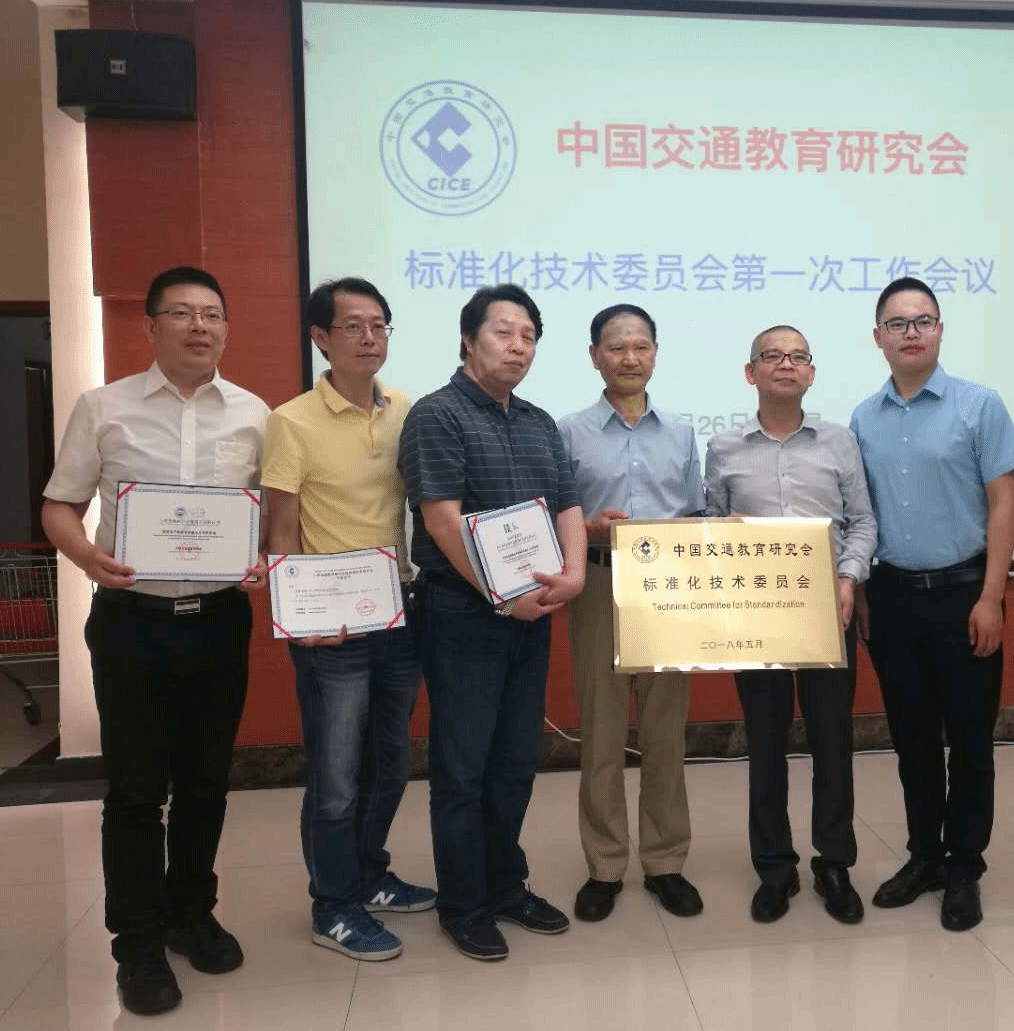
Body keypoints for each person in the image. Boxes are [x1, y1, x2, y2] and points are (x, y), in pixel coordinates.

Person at [41, 266, 268, 1016]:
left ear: (226, 328)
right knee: (137, 791)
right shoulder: (103, 407)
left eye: (213, 314)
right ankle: (136, 943)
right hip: (132, 622)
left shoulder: (255, 415)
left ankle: (191, 913)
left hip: (218, 621)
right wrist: (87, 557)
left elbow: (267, 515)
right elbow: (60, 505)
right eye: (182, 313)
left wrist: (263, 558)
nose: (199, 326)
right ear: (150, 326)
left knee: (206, 783)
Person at [398, 283, 586, 961]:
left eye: (529, 335)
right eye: (504, 332)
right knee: (463, 766)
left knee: (514, 761)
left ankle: (506, 885)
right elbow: (441, 520)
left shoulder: (538, 421)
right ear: (468, 339)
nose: (518, 346)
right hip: (462, 612)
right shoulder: (436, 415)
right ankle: (465, 904)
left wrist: (575, 574)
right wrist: (501, 596)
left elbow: (566, 506)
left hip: (532, 614)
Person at [262, 278, 436, 961]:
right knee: (335, 778)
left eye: (379, 325)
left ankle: (368, 875)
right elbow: (281, 530)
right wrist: (296, 620)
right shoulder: (293, 421)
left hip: (396, 611)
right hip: (328, 626)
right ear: (320, 338)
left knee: (390, 765)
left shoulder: (408, 411)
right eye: (353, 326)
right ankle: (332, 905)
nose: (369, 337)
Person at [849, 276, 1014, 932]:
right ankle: (925, 856)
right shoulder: (863, 418)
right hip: (893, 597)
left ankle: (964, 867)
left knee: (971, 742)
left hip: (965, 595)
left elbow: (1005, 503)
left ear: (941, 330)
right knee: (913, 741)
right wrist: (864, 589)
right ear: (878, 338)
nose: (911, 332)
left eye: (923, 320)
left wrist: (992, 596)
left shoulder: (981, 405)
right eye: (897, 323)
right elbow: (861, 515)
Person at [704, 325, 877, 924]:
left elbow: (862, 522)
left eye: (797, 356)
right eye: (772, 356)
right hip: (756, 617)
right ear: (750, 372)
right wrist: (720, 535)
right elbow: (708, 527)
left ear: (811, 372)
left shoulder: (839, 442)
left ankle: (834, 864)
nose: (786, 364)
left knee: (833, 742)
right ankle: (775, 868)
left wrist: (848, 579)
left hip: (828, 611)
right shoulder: (724, 447)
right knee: (766, 744)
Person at [559, 304, 705, 923]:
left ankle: (666, 861)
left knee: (666, 731)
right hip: (598, 583)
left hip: (669, 589)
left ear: (655, 354)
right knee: (602, 730)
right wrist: (586, 529)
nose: (629, 357)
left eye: (641, 346)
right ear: (595, 356)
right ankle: (605, 865)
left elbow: (695, 513)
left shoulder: (682, 433)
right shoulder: (568, 432)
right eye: (616, 347)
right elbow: (551, 518)